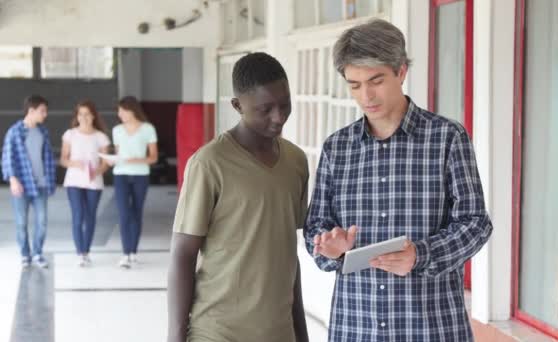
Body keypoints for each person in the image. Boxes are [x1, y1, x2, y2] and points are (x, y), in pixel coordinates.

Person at [304, 19, 493, 341]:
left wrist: (420, 255)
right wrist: (329, 246)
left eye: (376, 81)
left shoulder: (447, 138)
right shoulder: (337, 148)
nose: (366, 95)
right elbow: (316, 227)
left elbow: (475, 223)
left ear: (401, 72)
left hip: (431, 327)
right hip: (356, 326)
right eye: (354, 85)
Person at [167, 52, 309, 342]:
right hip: (218, 332)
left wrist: (300, 332)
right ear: (237, 105)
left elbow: (286, 254)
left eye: (285, 105)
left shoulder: (296, 161)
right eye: (265, 109)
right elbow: (183, 254)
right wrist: (176, 337)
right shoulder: (209, 163)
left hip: (278, 333)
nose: (278, 117)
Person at [2, 95, 56, 269]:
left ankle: (38, 253)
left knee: (42, 221)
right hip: (22, 185)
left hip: (40, 184)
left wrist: (49, 179)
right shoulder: (15, 132)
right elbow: (7, 158)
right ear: (31, 111)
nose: (45, 114)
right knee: (21, 222)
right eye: (42, 111)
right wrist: (12, 180)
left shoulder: (43, 131)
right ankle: (25, 254)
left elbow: (46, 157)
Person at [60, 100, 111, 267]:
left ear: (93, 115)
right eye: (80, 114)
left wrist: (96, 171)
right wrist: (76, 164)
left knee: (90, 217)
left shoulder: (101, 137)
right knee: (77, 216)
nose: (84, 117)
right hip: (73, 181)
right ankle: (79, 252)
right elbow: (63, 159)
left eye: (87, 114)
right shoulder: (70, 134)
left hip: (94, 183)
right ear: (77, 116)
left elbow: (105, 163)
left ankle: (86, 252)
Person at [111, 96, 158, 268]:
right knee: (124, 214)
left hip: (140, 175)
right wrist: (112, 160)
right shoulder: (117, 130)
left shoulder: (148, 129)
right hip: (120, 174)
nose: (120, 114)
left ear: (132, 110)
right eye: (119, 110)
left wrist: (135, 160)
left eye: (123, 110)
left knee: (136, 213)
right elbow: (118, 155)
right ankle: (125, 253)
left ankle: (133, 252)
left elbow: (153, 157)